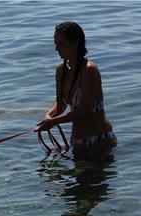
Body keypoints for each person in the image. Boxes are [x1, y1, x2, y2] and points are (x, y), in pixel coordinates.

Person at [34, 22, 117, 160]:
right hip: (77, 143)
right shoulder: (61, 70)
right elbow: (60, 104)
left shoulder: (89, 70)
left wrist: (54, 122)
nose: (56, 48)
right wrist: (49, 116)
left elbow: (85, 110)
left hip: (99, 141)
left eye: (61, 44)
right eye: (55, 43)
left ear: (75, 43)